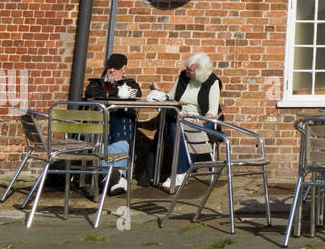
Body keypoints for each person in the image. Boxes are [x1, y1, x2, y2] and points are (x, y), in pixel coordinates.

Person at [151, 52, 222, 190]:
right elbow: (171, 97)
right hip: (181, 117)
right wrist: (159, 93)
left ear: (200, 71)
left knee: (184, 128)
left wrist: (199, 121)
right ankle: (182, 172)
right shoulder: (183, 77)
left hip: (202, 120)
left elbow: (212, 111)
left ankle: (179, 173)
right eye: (187, 68)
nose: (187, 71)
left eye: (191, 70)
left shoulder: (212, 81)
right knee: (176, 126)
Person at [84, 53, 140, 193]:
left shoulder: (131, 84)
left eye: (116, 67)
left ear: (124, 69)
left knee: (121, 132)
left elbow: (135, 95)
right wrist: (111, 86)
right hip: (101, 122)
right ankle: (118, 178)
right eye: (110, 67)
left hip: (121, 122)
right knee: (106, 137)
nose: (112, 70)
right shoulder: (96, 83)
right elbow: (93, 95)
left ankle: (110, 175)